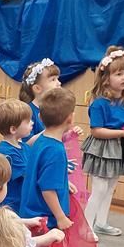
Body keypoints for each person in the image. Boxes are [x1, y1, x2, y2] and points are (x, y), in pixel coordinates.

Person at [81, 46, 124, 237]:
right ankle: (86, 227)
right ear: (106, 78)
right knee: (99, 188)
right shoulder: (99, 103)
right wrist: (121, 132)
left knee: (110, 187)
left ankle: (101, 223)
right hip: (102, 148)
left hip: (120, 147)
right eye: (119, 74)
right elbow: (96, 131)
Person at [20, 88, 77, 231]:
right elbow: (48, 189)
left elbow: (42, 174)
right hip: (45, 220)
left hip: (32, 212)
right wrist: (60, 217)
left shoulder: (41, 141)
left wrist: (64, 183)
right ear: (70, 118)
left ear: (39, 117)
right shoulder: (55, 150)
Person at [0, 99, 35, 210]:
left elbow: (35, 164)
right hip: (11, 206)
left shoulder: (24, 147)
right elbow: (30, 174)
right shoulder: (6, 152)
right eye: (28, 121)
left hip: (22, 200)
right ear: (13, 129)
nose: (32, 123)